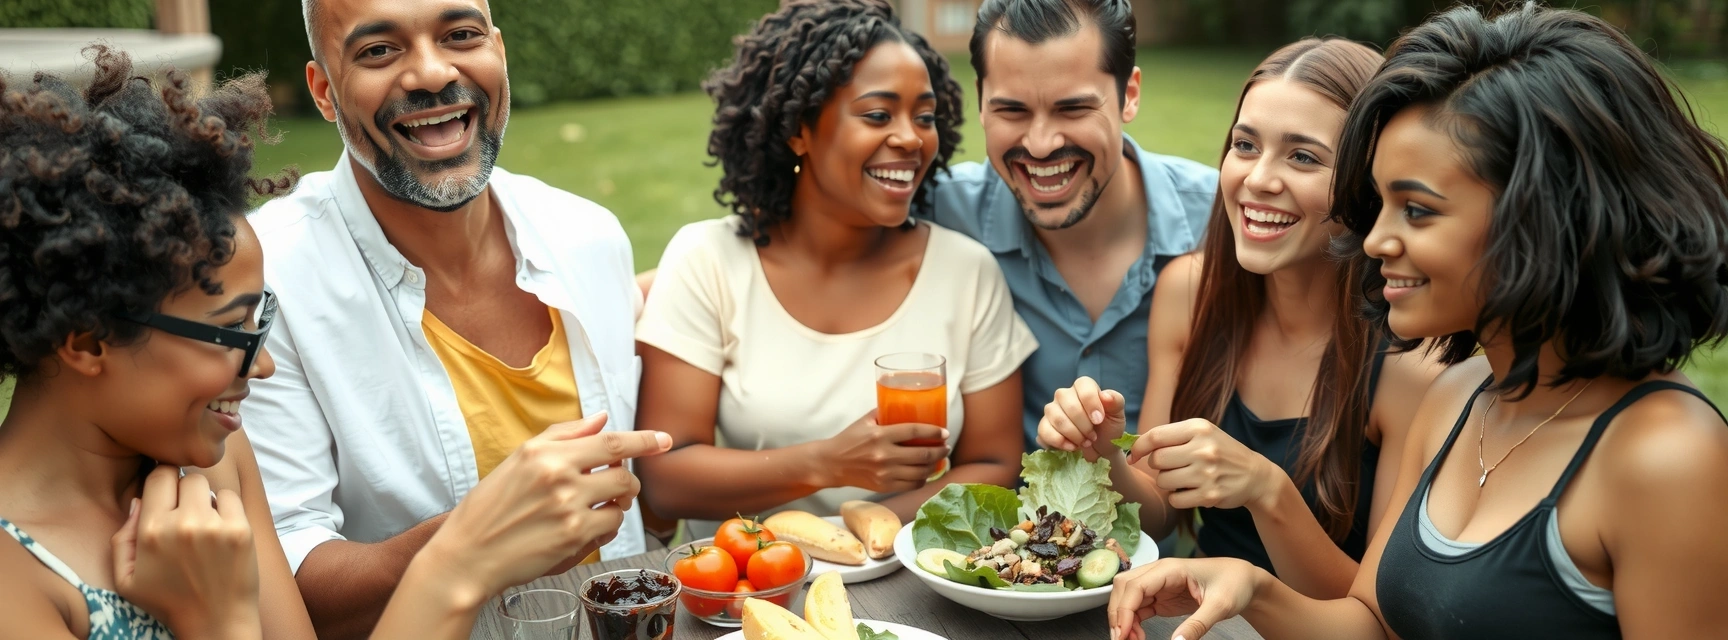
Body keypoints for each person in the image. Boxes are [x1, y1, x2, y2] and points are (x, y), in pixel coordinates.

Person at [0, 47, 671, 640]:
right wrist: (218, 623)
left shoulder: (212, 463)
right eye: (234, 330)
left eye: (262, 322)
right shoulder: (19, 577)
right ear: (87, 342)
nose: (263, 363)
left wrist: (468, 553)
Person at [1107, 5, 1728, 640]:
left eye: (1418, 210)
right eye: (1378, 204)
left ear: (1545, 217)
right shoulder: (1459, 395)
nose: (1374, 240)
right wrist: (1250, 587)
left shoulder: (1668, 456)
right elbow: (1376, 625)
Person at [244, 0, 654, 636]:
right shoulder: (267, 283)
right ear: (324, 91)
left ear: (499, 52)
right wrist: (479, 535)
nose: (433, 73)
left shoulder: (589, 238)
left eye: (460, 35)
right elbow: (283, 580)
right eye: (379, 51)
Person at [1037, 38, 1445, 599]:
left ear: (1368, 184)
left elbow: (1374, 612)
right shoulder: (1189, 292)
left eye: (1303, 157)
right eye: (1245, 145)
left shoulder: (1411, 362)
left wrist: (1265, 490)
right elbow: (1159, 509)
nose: (1258, 179)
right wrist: (1104, 453)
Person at [634, 0, 1033, 528]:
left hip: (904, 568)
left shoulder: (965, 272)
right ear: (798, 129)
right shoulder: (708, 261)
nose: (911, 138)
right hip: (747, 573)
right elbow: (665, 479)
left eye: (925, 117)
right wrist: (827, 463)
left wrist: (863, 534)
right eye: (878, 115)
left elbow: (995, 465)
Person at [923, 0, 1220, 452]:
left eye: (1073, 109)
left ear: (1129, 95)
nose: (1041, 144)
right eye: (1012, 111)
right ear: (980, 101)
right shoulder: (939, 212)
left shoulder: (1224, 221)